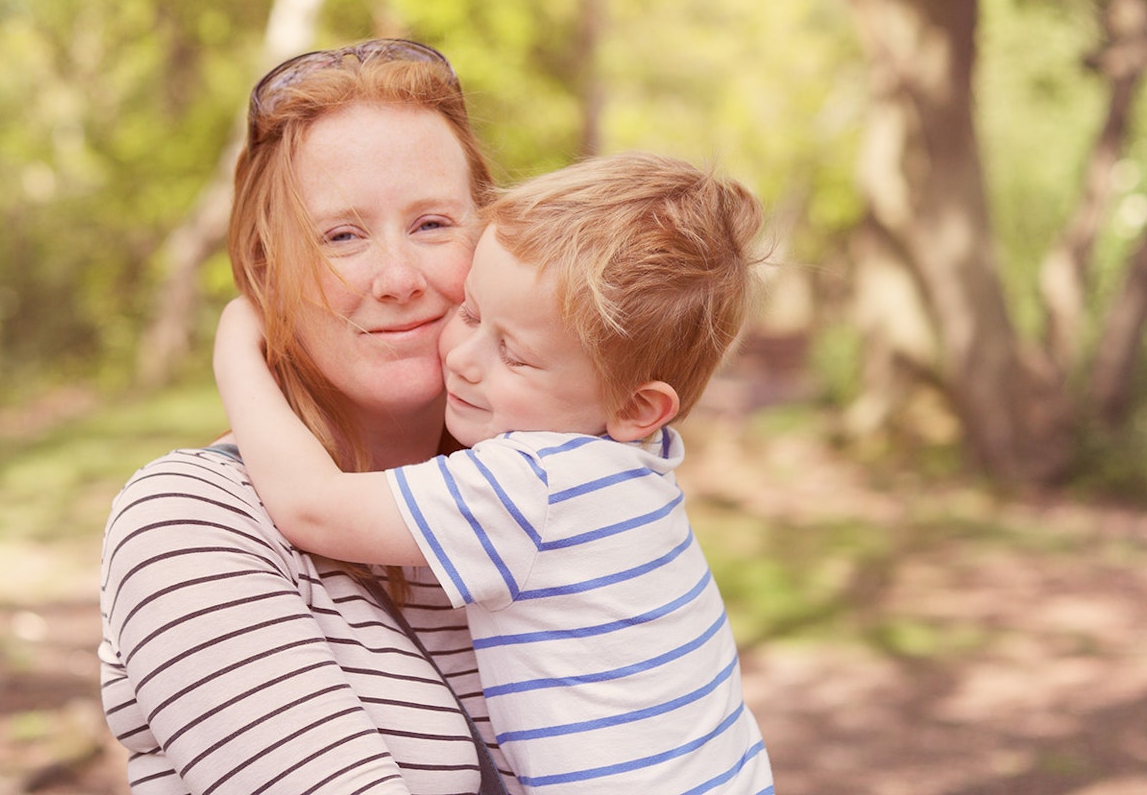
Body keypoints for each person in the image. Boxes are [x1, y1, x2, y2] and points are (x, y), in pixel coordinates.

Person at [213, 151, 776, 795]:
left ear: (635, 405)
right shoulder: (637, 464)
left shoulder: (528, 484)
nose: (464, 359)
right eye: (473, 314)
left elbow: (313, 507)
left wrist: (237, 343)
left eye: (515, 355)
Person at [98, 38, 521, 794]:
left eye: (431, 224)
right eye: (341, 236)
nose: (396, 279)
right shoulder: (189, 523)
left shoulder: (529, 490)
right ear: (265, 271)